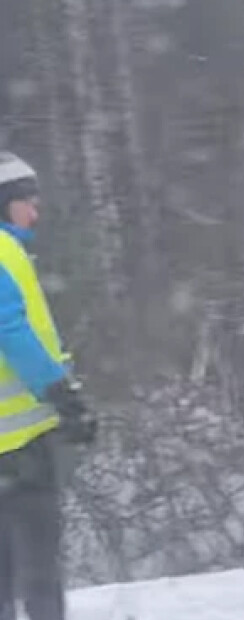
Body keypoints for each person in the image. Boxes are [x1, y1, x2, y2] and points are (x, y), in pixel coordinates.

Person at [0, 152, 97, 620]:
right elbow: (10, 329)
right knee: (40, 566)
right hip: (16, 444)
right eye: (27, 203)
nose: (34, 214)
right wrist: (62, 394)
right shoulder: (2, 251)